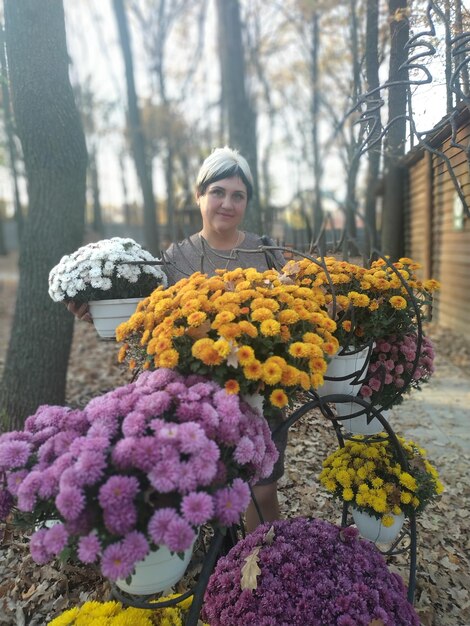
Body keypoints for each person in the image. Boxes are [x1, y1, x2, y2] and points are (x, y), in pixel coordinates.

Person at [68, 146, 287, 532]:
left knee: (263, 490)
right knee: (214, 489)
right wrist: (94, 311)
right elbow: (143, 319)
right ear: (199, 195)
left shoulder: (265, 252)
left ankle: (268, 560)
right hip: (199, 398)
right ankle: (223, 565)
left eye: (238, 195)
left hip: (260, 386)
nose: (227, 203)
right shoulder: (174, 260)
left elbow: (294, 311)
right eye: (218, 192)